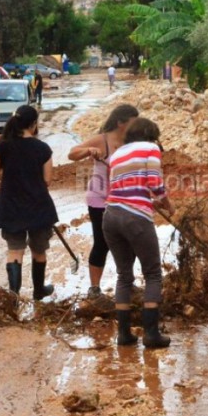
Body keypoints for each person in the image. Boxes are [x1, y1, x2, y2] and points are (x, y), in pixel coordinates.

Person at [102, 118, 175, 348]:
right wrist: (166, 203)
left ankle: (124, 334)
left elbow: (122, 186)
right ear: (152, 135)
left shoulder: (117, 154)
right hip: (135, 218)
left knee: (124, 275)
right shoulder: (150, 148)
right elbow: (155, 183)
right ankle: (151, 335)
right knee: (153, 273)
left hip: (111, 216)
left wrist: (146, 198)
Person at [0, 105, 58, 301]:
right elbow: (47, 180)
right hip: (38, 208)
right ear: (33, 124)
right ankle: (38, 291)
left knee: (15, 250)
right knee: (38, 250)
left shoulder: (5, 145)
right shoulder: (43, 148)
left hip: (11, 207)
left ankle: (13, 297)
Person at [68, 104, 140, 299]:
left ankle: (126, 283)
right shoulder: (102, 140)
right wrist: (89, 150)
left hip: (124, 199)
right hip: (100, 200)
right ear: (120, 123)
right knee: (102, 243)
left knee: (129, 243)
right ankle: (94, 288)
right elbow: (72, 153)